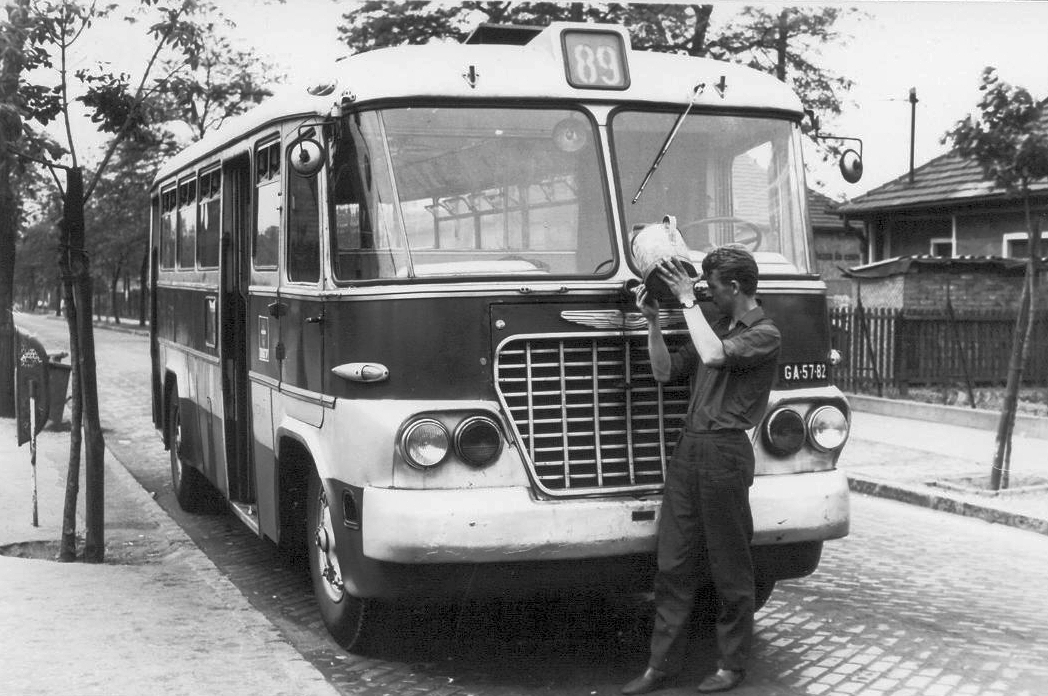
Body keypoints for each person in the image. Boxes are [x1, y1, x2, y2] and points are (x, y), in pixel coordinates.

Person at [622, 245, 781, 695]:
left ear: (735, 287)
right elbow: (663, 371)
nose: (705, 292)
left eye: (712, 286)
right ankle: (661, 666)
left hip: (725, 453)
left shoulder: (764, 333)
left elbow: (713, 356)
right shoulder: (716, 326)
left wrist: (687, 301)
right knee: (672, 563)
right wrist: (654, 322)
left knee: (730, 565)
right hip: (690, 450)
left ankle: (732, 666)